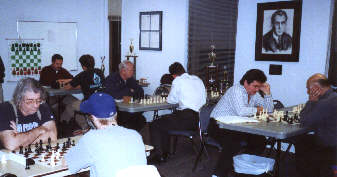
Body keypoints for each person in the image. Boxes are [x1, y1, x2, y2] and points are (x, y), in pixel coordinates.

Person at [63, 92, 147, 177]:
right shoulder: (135, 135)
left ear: (93, 118)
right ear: (116, 114)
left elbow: (66, 163)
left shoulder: (91, 138)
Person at [210, 69, 274, 177]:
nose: (257, 89)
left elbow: (270, 109)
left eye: (259, 86)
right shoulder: (236, 90)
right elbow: (241, 111)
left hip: (238, 126)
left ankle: (242, 167)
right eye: (255, 86)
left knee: (260, 141)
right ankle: (218, 174)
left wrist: (267, 93)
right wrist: (258, 109)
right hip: (217, 125)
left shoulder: (254, 93)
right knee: (232, 143)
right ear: (245, 82)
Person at [148, 62, 206, 164]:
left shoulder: (178, 81)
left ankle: (160, 155)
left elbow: (171, 100)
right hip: (200, 120)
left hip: (186, 119)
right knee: (165, 122)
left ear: (173, 75)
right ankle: (163, 153)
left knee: (155, 124)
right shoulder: (198, 79)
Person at [294, 73, 337, 177]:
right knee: (304, 139)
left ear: (316, 88)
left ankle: (309, 172)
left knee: (299, 140)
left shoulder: (325, 102)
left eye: (309, 89)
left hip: (329, 145)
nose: (308, 91)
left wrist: (311, 101)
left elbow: (304, 121)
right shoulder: (333, 96)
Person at [0, 78, 57, 151]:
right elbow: (11, 145)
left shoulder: (43, 106)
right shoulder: (5, 109)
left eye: (38, 100)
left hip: (33, 153)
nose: (36, 105)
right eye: (30, 101)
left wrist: (19, 138)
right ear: (19, 99)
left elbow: (52, 136)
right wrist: (39, 130)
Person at [61, 54, 105, 130]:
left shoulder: (82, 75)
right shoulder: (100, 72)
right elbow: (87, 84)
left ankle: (86, 126)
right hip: (102, 102)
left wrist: (65, 82)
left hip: (89, 103)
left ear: (83, 66)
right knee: (72, 102)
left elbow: (67, 87)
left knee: (69, 107)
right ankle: (64, 122)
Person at [103, 60, 145, 132]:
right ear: (123, 71)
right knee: (132, 120)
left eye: (133, 70)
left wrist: (127, 94)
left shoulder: (130, 79)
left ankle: (132, 136)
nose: (133, 72)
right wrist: (129, 91)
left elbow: (140, 91)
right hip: (114, 110)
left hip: (127, 107)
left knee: (141, 119)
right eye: (131, 70)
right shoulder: (111, 79)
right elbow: (115, 95)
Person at [39, 54, 76, 118]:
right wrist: (58, 82)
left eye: (61, 64)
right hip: (49, 96)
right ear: (52, 62)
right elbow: (45, 82)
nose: (59, 66)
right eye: (57, 64)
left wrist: (62, 80)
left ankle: (66, 121)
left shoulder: (63, 70)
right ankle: (57, 123)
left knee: (74, 102)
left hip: (63, 95)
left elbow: (73, 79)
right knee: (54, 107)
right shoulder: (45, 70)